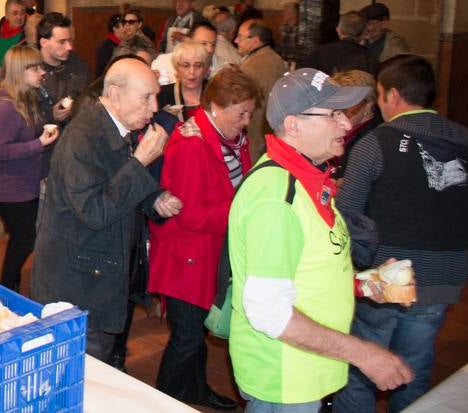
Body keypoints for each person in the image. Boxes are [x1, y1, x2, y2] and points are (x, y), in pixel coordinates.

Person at [227, 68, 413, 411]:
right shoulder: (276, 199)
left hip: (306, 369)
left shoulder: (308, 180)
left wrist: (361, 284)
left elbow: (306, 265)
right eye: (333, 115)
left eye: (344, 114)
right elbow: (270, 312)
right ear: (294, 125)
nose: (346, 124)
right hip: (285, 377)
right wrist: (364, 354)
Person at [334, 55, 468, 413]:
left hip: (387, 272)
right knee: (413, 365)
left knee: (361, 366)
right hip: (444, 272)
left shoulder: (376, 143)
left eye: (380, 95)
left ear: (393, 95)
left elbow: (347, 213)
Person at [30, 58, 183, 361]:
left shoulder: (119, 128)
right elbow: (95, 210)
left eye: (156, 96)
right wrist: (141, 164)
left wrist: (153, 198)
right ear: (114, 94)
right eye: (146, 98)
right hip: (77, 286)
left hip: (97, 275)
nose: (155, 107)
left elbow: (112, 181)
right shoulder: (82, 138)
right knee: (82, 375)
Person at [149, 66, 260, 410]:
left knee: (195, 333)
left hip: (209, 251)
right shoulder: (192, 144)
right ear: (217, 106)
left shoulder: (230, 137)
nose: (246, 122)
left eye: (249, 114)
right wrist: (244, 209)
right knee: (187, 337)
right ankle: (160, 401)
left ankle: (195, 390)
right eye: (242, 113)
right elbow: (192, 215)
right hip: (186, 256)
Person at [0, 45, 59, 292]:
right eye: (35, 68)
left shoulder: (24, 97)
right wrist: (38, 144)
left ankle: (11, 283)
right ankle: (4, 288)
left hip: (23, 182)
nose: (42, 72)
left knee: (22, 237)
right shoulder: (5, 106)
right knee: (25, 239)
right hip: (10, 188)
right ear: (19, 71)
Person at [235, 19, 287, 160]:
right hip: (274, 135)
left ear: (255, 40)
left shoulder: (249, 67)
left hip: (254, 136)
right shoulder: (276, 59)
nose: (236, 40)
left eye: (240, 36)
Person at [330, 69, 380, 185]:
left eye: (348, 104)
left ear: (368, 105)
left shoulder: (376, 140)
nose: (340, 111)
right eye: (336, 102)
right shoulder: (327, 124)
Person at [301, 12, 379, 76]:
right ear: (363, 34)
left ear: (338, 30)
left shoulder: (319, 53)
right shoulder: (369, 58)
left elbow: (302, 78)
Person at [156, 39, 210, 123]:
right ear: (176, 68)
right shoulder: (161, 95)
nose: (192, 71)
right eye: (186, 65)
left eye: (198, 65)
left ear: (205, 68)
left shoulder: (216, 93)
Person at [278, 2, 301, 69]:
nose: (283, 14)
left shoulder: (300, 29)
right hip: (284, 60)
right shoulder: (283, 27)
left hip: (295, 62)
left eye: (286, 12)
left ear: (294, 13)